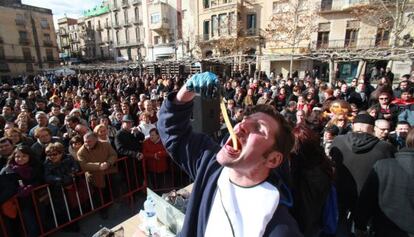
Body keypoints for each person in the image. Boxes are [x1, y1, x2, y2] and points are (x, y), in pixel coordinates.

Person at [157, 72, 302, 237]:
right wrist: (187, 90)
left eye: (259, 128)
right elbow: (172, 131)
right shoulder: (210, 165)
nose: (241, 126)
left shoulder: (279, 228)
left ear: (273, 159)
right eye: (245, 119)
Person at [329, 114, 396, 234]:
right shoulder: (385, 147)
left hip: (341, 197)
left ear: (354, 126)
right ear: (372, 128)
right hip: (370, 202)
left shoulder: (338, 140)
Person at [354, 128, 414, 237]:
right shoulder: (383, 166)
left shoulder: (383, 166)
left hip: (385, 230)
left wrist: (360, 225)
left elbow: (366, 200)